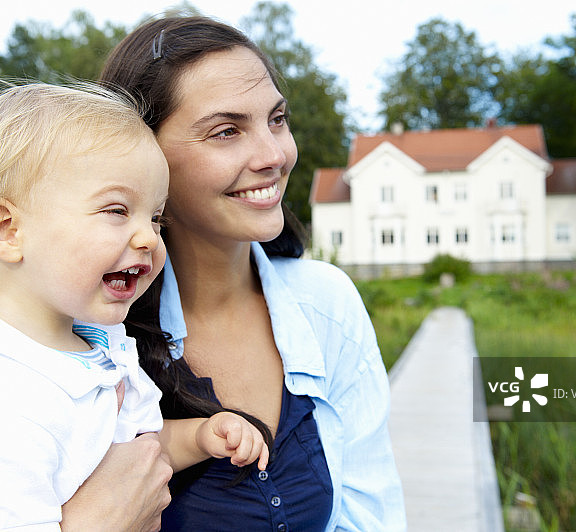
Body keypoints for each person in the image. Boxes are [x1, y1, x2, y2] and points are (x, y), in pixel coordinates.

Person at [0, 82, 268, 531]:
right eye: (117, 210)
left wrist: (199, 436)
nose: (149, 238)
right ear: (7, 230)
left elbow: (133, 451)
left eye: (155, 217)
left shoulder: (93, 344)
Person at [96, 16, 407, 531]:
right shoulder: (84, 333)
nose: (275, 155)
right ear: (142, 155)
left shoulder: (327, 301)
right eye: (226, 131)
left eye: (277, 119)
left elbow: (371, 515)